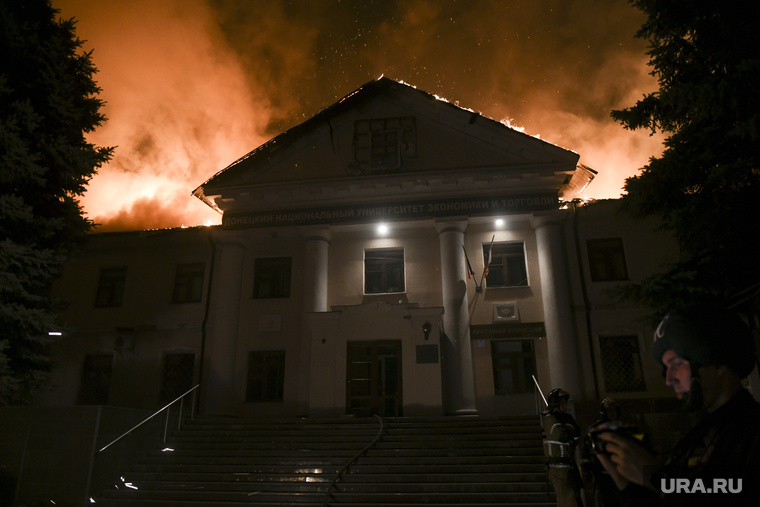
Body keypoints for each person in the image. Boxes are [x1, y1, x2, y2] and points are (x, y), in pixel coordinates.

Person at [596, 305, 760, 506]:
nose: (669, 379)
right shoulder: (698, 438)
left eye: (676, 364)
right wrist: (626, 482)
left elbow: (735, 490)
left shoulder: (750, 433)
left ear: (716, 360)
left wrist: (655, 478)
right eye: (666, 368)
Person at [542, 388, 583, 506]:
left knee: (574, 497)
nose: (565, 405)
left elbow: (575, 439)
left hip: (568, 465)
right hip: (558, 468)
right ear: (555, 404)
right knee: (567, 499)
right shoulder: (550, 419)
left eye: (566, 402)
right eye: (562, 403)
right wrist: (570, 426)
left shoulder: (565, 419)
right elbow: (562, 435)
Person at [581, 398, 623, 506]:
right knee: (607, 499)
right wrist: (587, 467)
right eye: (610, 411)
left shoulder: (621, 427)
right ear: (604, 413)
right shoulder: (596, 429)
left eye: (614, 410)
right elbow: (586, 448)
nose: (613, 413)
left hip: (620, 470)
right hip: (603, 472)